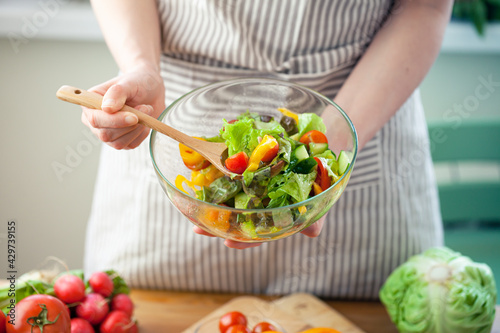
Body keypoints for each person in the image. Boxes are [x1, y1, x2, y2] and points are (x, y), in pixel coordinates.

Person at [82, 0, 453, 299]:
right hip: (178, 111)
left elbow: (427, 6)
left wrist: (327, 145)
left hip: (366, 110)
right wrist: (140, 65)